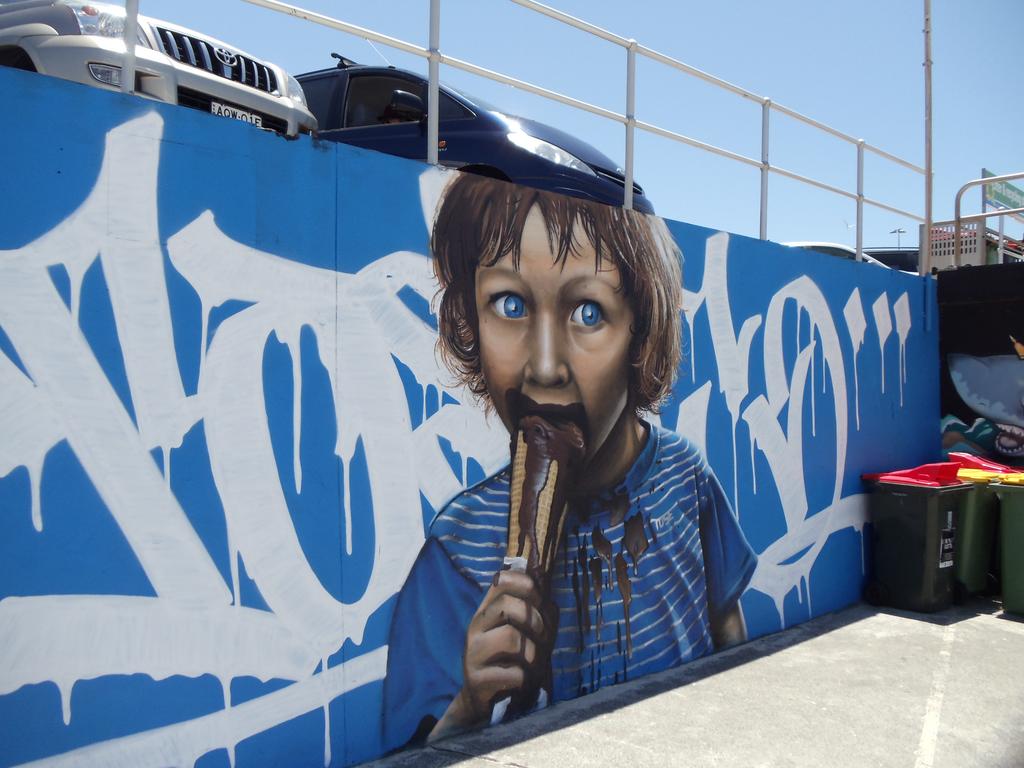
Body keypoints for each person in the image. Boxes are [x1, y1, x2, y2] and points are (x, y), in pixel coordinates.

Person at [382, 173, 756, 749]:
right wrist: (472, 702)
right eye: (508, 305)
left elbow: (726, 623)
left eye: (587, 312)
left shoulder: (686, 478)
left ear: (640, 333)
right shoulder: (456, 554)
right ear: (470, 322)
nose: (545, 366)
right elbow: (411, 751)